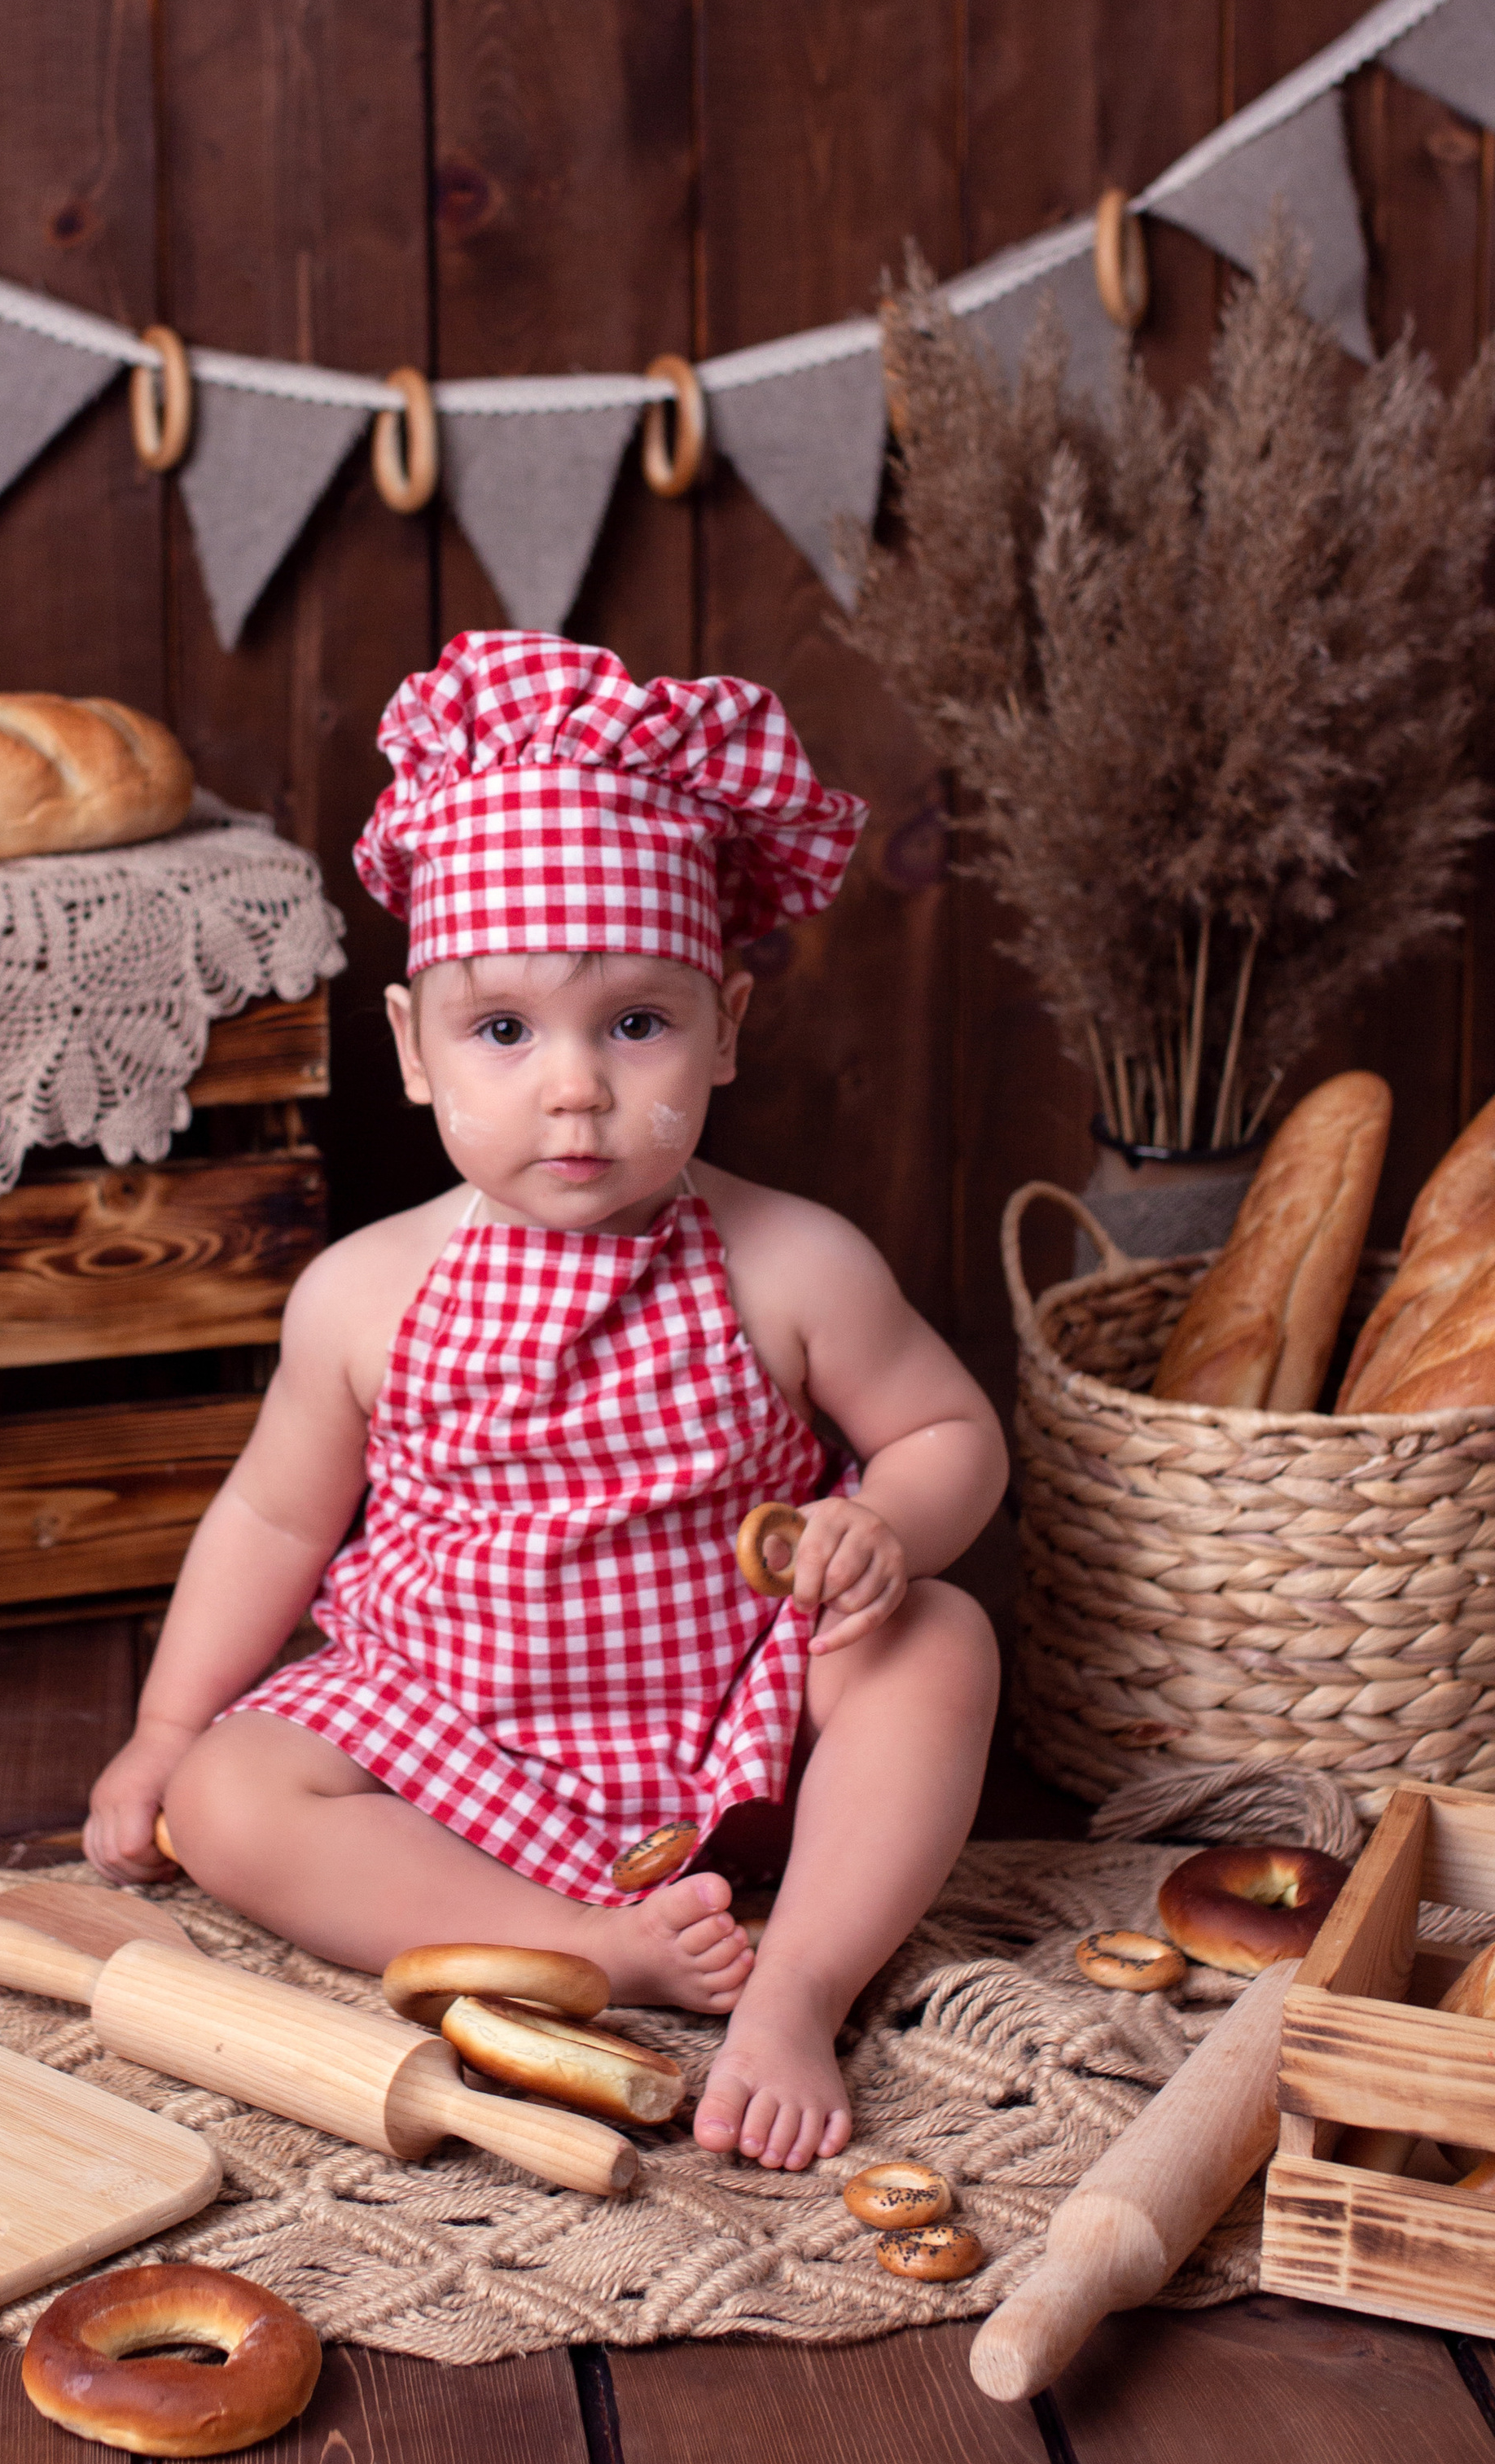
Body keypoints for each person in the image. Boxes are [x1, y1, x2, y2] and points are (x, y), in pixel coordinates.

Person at [85, 631, 1006, 2171]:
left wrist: (888, 1532)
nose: (572, 1085)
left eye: (633, 1024)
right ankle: (581, 1946)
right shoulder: (365, 1295)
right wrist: (162, 1731)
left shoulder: (793, 1262)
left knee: (941, 1644)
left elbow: (948, 1434)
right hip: (452, 1740)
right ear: (415, 1052)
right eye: (503, 1030)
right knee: (234, 1796)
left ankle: (796, 1989)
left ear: (727, 1028)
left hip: (734, 1736)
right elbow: (272, 1517)